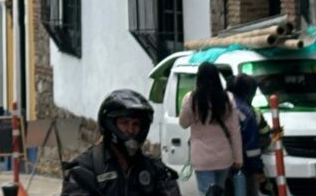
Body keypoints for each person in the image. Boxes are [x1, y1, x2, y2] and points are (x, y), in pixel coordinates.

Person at [62, 89, 179, 196]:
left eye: (136, 124)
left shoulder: (155, 169)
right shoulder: (85, 169)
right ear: (110, 125)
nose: (130, 130)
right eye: (124, 123)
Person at [178, 63, 242, 196]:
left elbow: (183, 123)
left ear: (198, 78)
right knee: (220, 191)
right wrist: (238, 158)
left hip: (202, 158)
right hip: (223, 156)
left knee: (206, 192)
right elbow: (235, 131)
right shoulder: (227, 99)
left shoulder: (191, 99)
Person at [226, 76, 263, 196]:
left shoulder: (220, 105)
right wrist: (257, 169)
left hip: (218, 161)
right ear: (248, 93)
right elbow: (252, 148)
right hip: (242, 165)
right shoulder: (247, 113)